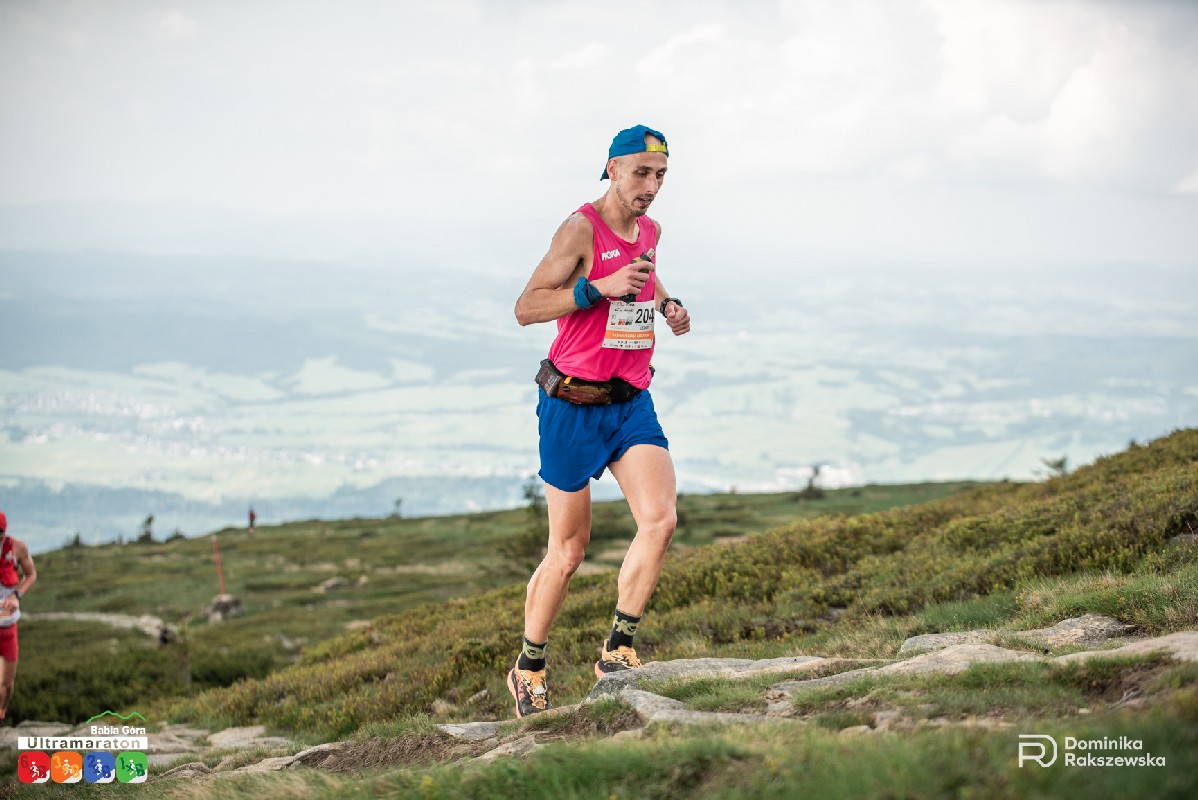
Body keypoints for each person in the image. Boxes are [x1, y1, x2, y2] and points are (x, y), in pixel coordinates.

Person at [509, 124, 691, 717]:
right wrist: (596, 289)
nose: (652, 186)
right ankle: (529, 667)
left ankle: (617, 649)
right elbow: (526, 307)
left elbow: (646, 275)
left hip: (630, 402)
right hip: (572, 405)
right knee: (568, 553)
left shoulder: (650, 230)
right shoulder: (580, 228)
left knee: (660, 519)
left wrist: (666, 303)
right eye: (641, 173)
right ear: (611, 168)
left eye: (660, 175)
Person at [0, 510, 38, 723]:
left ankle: (1, 712)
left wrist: (17, 596)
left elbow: (31, 574)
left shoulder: (17, 548)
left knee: (6, 685)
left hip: (7, 624)